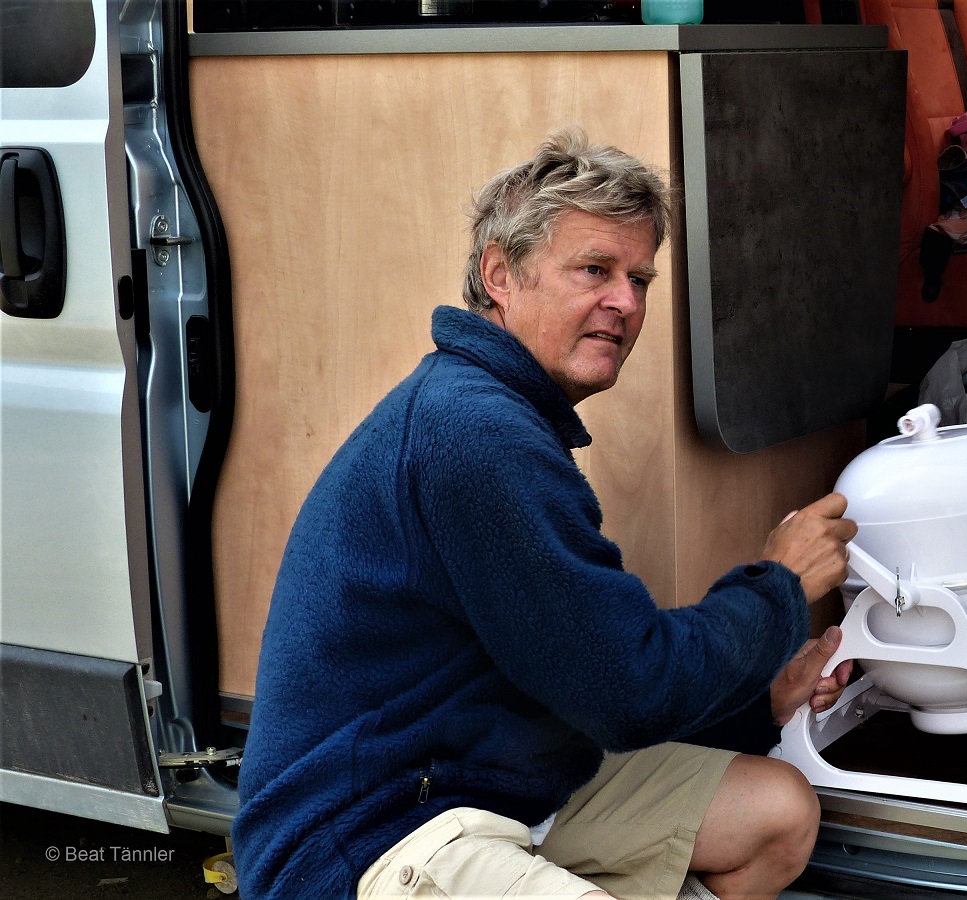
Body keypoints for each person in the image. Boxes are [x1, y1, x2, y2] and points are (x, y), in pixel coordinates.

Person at [233, 128, 858, 900]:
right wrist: (779, 586)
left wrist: (760, 702)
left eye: (639, 278)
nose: (626, 302)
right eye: (595, 269)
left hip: (492, 783)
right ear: (500, 274)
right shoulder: (473, 431)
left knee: (775, 813)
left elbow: (579, 676)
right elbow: (626, 689)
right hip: (368, 833)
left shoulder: (498, 413)